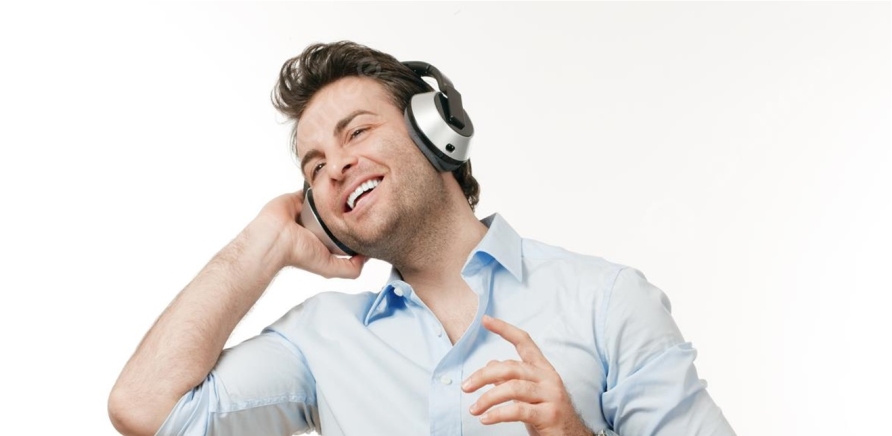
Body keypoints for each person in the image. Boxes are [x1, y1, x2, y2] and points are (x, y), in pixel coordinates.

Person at [108, 41, 735, 436]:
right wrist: (265, 242)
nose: (336, 167)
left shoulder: (606, 300)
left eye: (357, 132)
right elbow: (145, 409)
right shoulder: (319, 341)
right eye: (314, 167)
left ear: (438, 134)